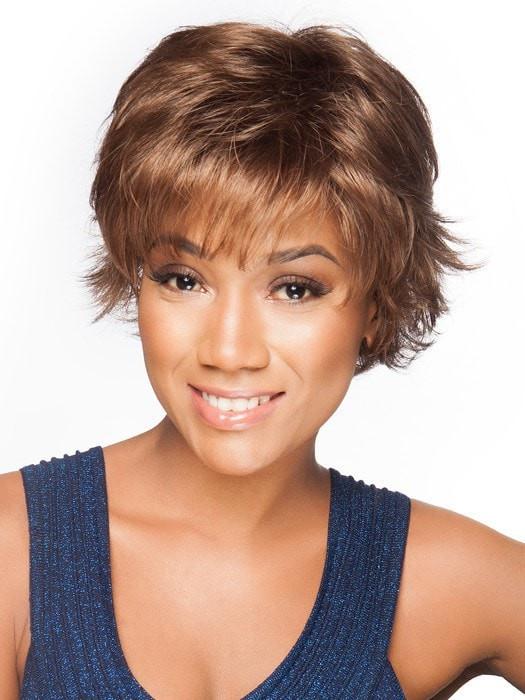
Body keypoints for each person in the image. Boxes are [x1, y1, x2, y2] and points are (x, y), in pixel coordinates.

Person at [1, 19, 523, 700]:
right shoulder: (14, 549)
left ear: (375, 307)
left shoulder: (448, 582)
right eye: (184, 279)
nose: (229, 350)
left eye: (294, 289)